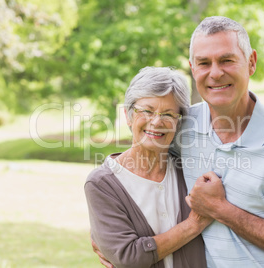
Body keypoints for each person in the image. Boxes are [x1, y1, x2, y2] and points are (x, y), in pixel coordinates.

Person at [94, 16, 264, 267]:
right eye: (204, 63)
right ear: (193, 69)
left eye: (227, 60)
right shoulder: (181, 126)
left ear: (251, 63)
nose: (215, 73)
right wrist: (108, 233)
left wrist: (220, 209)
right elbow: (138, 160)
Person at [84, 66, 211, 268]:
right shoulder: (102, 183)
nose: (156, 121)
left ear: (179, 122)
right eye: (147, 111)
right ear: (128, 115)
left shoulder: (189, 170)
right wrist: (193, 225)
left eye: (169, 114)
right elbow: (129, 257)